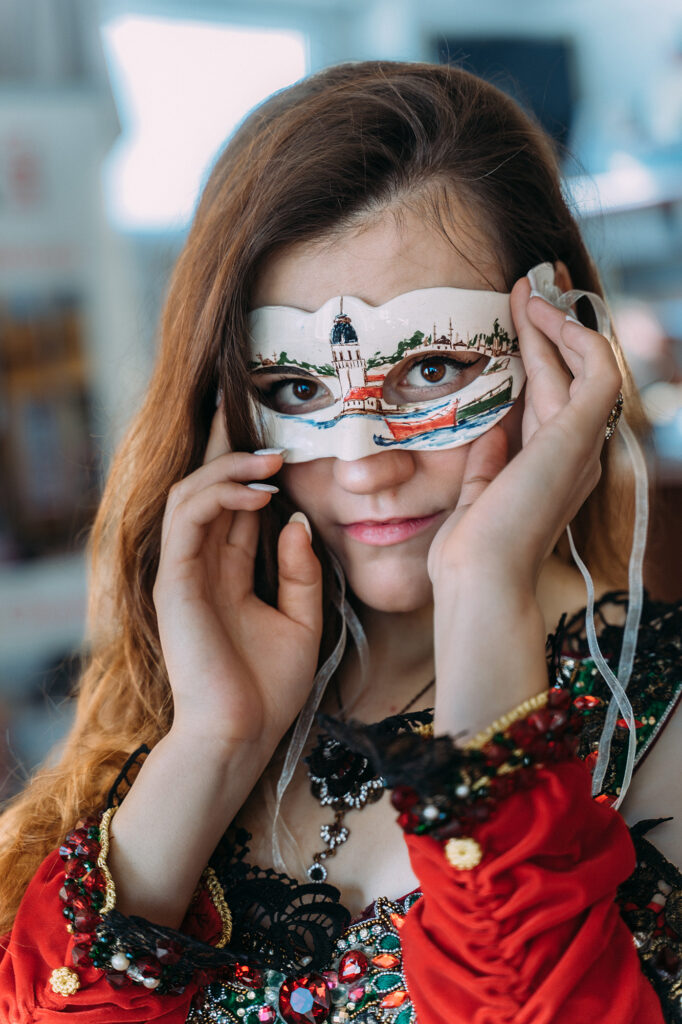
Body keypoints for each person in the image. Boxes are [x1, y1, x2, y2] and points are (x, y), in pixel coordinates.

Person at [0, 60, 680, 1024]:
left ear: (562, 346)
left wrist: (486, 591)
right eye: (297, 392)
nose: (364, 467)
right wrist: (213, 743)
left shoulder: (664, 719)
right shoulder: (194, 709)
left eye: (434, 367)